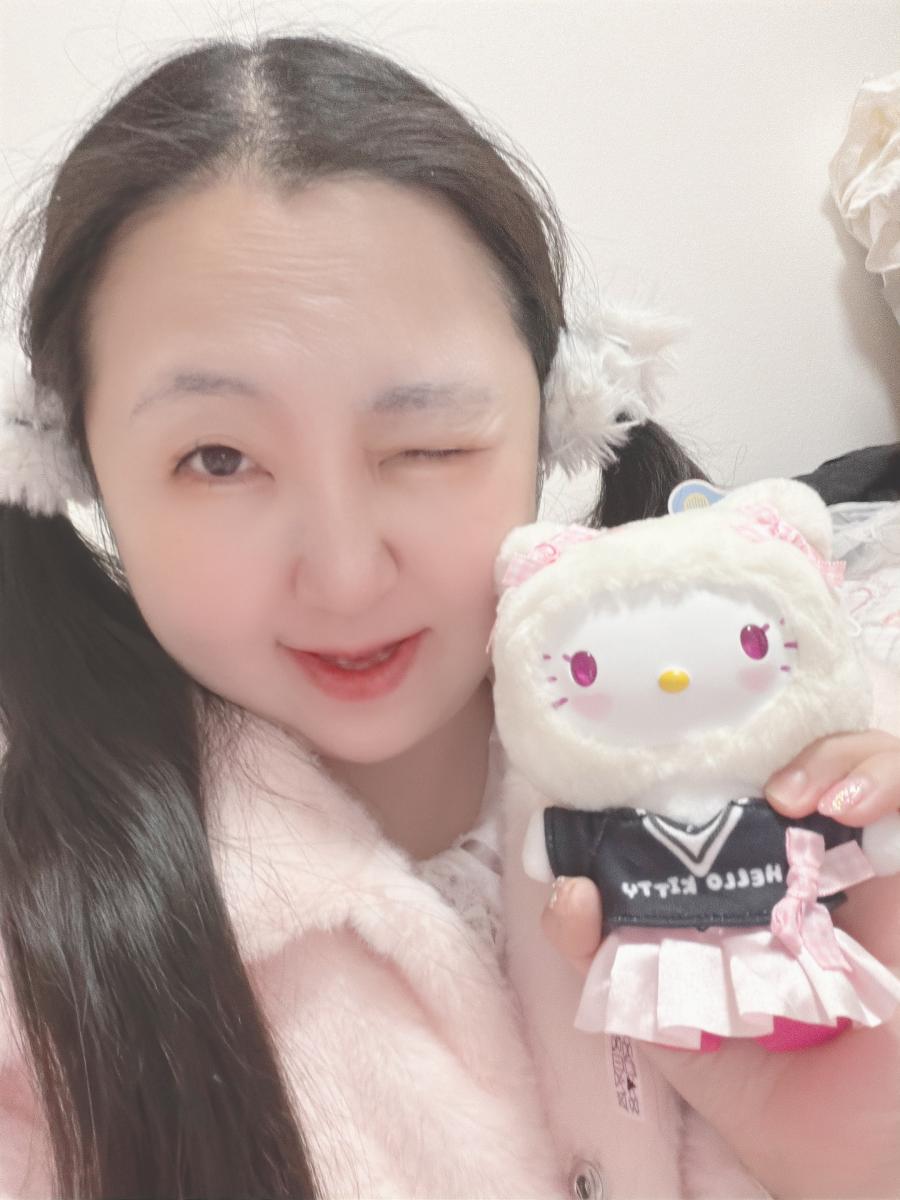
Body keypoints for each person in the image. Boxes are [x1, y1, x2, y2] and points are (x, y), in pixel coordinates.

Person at [0, 33, 897, 1200]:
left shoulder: (817, 775)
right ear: (79, 468)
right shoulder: (39, 965)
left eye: (425, 444)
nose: (345, 575)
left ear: (555, 417)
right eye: (217, 459)